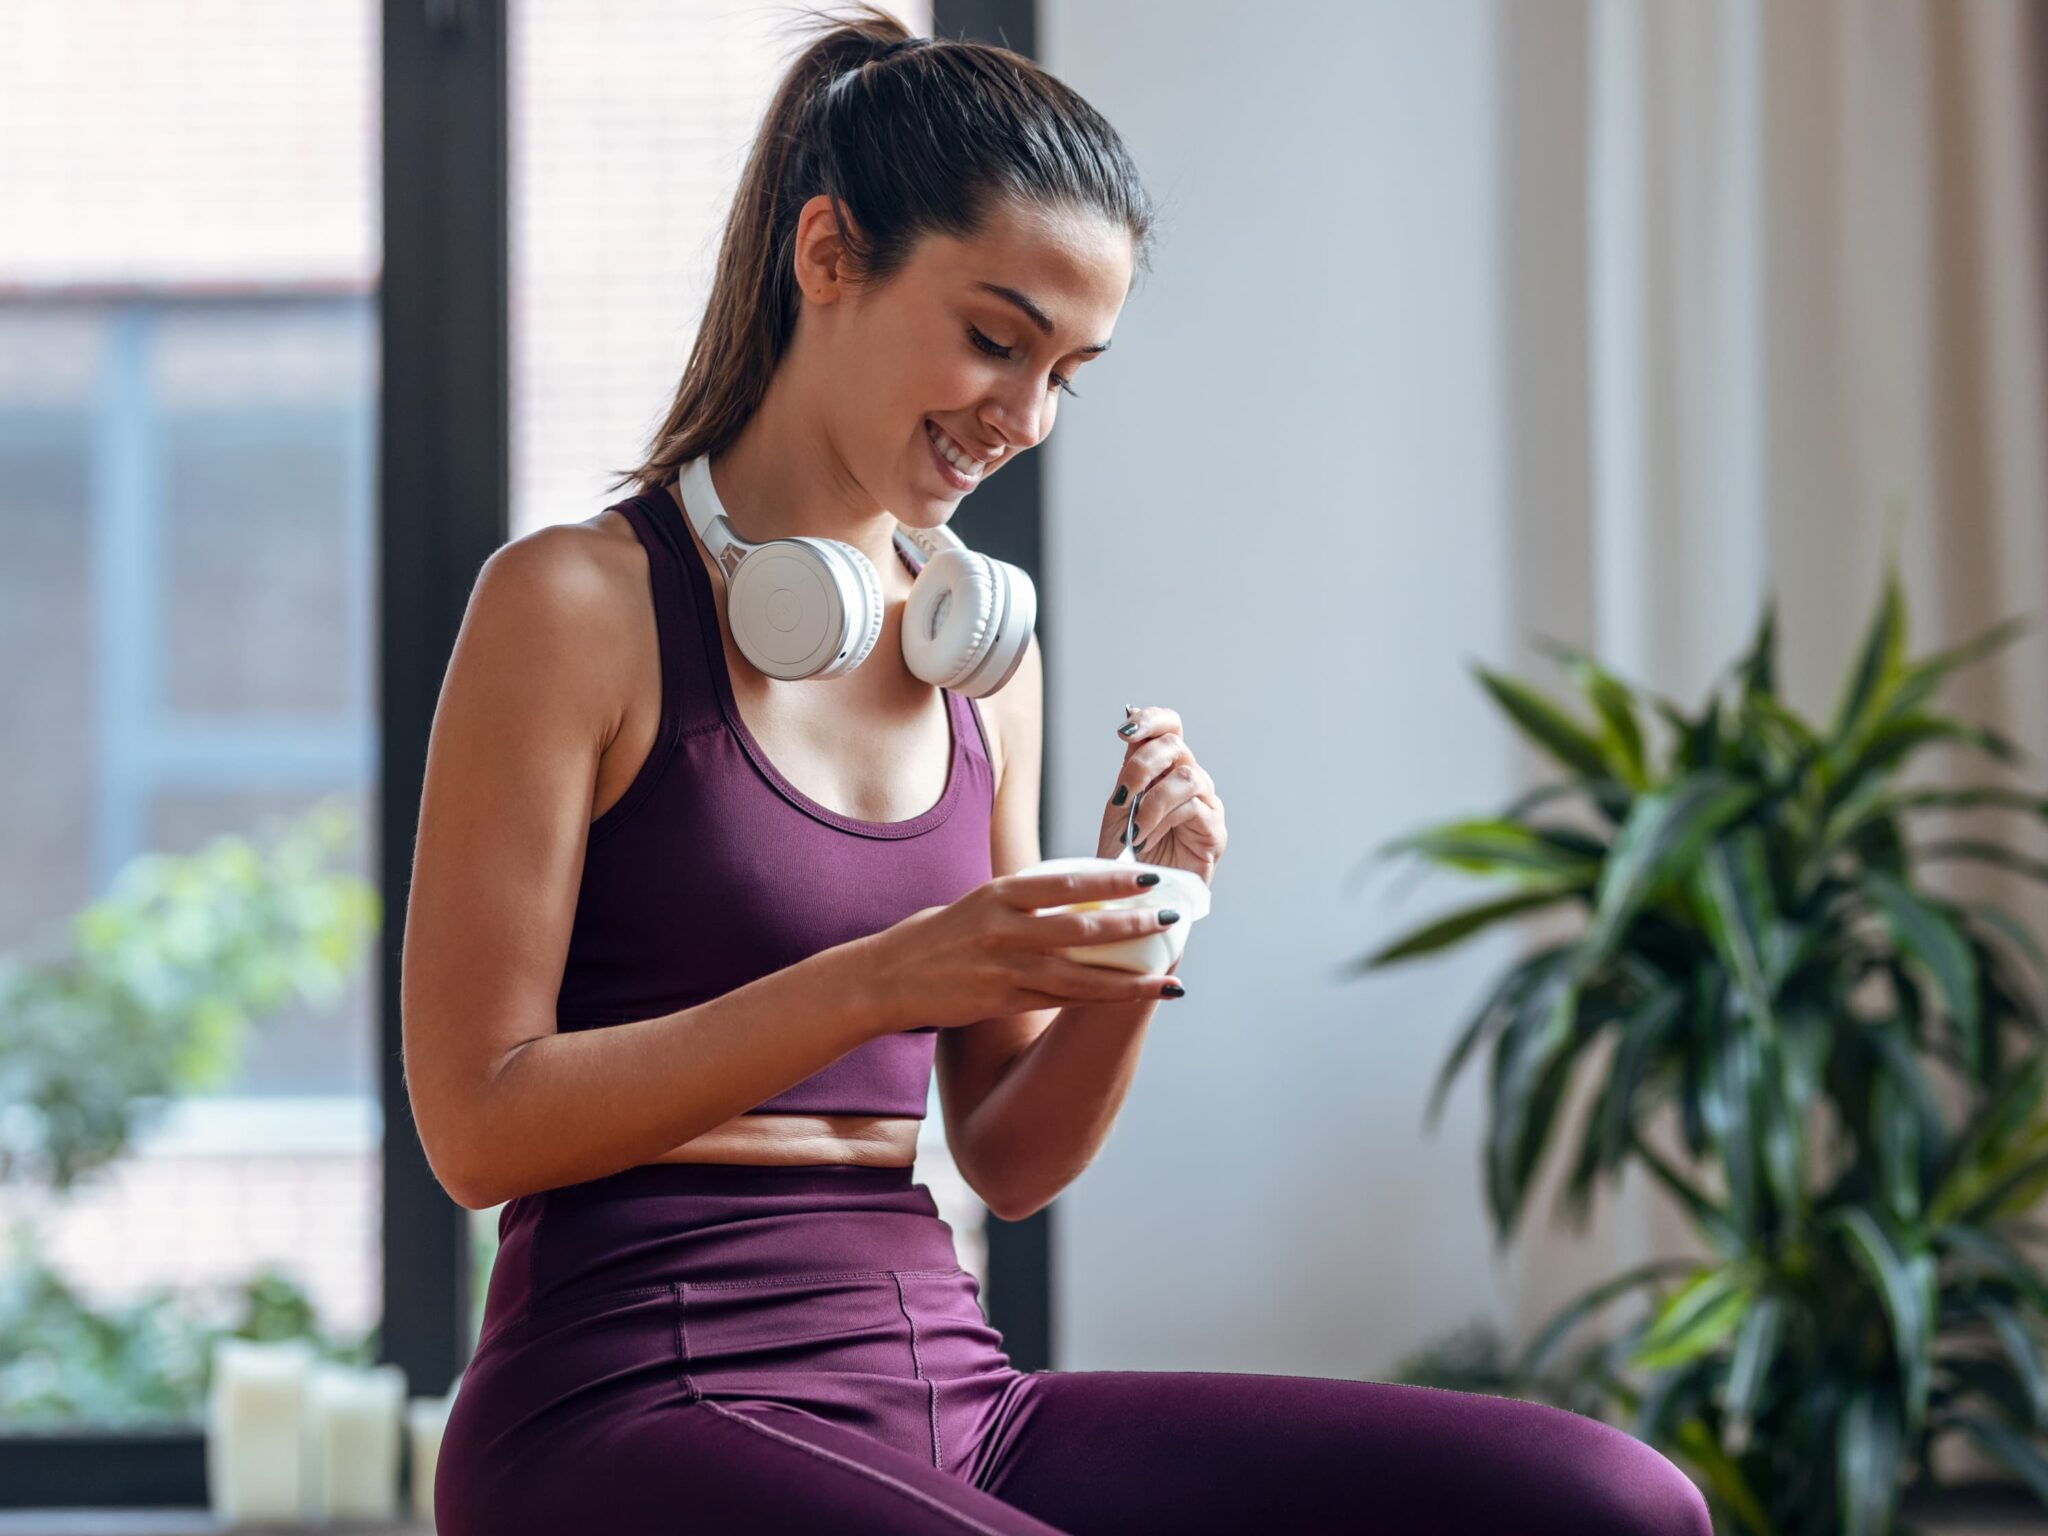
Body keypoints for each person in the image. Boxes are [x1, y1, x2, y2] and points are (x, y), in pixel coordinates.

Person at [404, 7, 1715, 1532]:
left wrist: (1141, 935)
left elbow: (1008, 1156)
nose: (1020, 419)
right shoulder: (573, 607)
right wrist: (884, 979)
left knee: (1613, 1505)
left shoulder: (982, 658)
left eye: (1066, 372)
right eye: (992, 337)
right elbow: (477, 1125)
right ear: (827, 256)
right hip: (627, 1397)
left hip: (948, 1388)